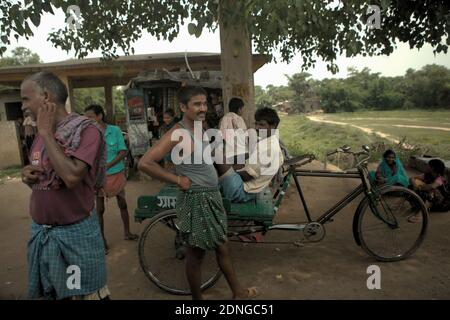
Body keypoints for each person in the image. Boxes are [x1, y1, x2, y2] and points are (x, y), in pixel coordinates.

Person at [138, 86, 257, 300]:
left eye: (204, 103)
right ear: (183, 107)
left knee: (222, 247)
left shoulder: (200, 128)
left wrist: (238, 169)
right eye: (197, 104)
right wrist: (177, 179)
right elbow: (145, 163)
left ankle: (238, 293)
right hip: (196, 199)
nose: (203, 108)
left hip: (211, 197)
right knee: (196, 254)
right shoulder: (178, 133)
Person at [20, 71, 109, 300]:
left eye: (25, 99)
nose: (23, 107)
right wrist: (28, 177)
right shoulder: (41, 134)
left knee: (81, 294)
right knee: (53, 294)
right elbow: (48, 183)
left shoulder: (86, 131)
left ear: (46, 96)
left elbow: (71, 178)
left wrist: (47, 134)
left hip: (75, 239)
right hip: (42, 234)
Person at [84, 104, 138, 255]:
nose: (88, 120)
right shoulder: (89, 133)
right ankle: (102, 242)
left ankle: (127, 233)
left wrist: (108, 165)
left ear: (100, 116)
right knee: (99, 209)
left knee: (123, 204)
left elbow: (123, 151)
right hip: (99, 177)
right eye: (86, 117)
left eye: (90, 117)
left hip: (116, 173)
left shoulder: (114, 130)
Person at [216, 107, 284, 203]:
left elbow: (247, 176)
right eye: (256, 123)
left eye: (262, 125)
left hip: (241, 192)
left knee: (216, 155)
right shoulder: (267, 142)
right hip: (248, 185)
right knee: (226, 161)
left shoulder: (268, 149)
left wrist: (227, 172)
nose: (257, 127)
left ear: (273, 126)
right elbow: (247, 164)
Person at [219, 97, 248, 163]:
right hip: (241, 152)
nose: (243, 111)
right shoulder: (239, 119)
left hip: (229, 154)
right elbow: (244, 137)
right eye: (242, 109)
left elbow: (221, 137)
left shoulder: (224, 118)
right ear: (239, 109)